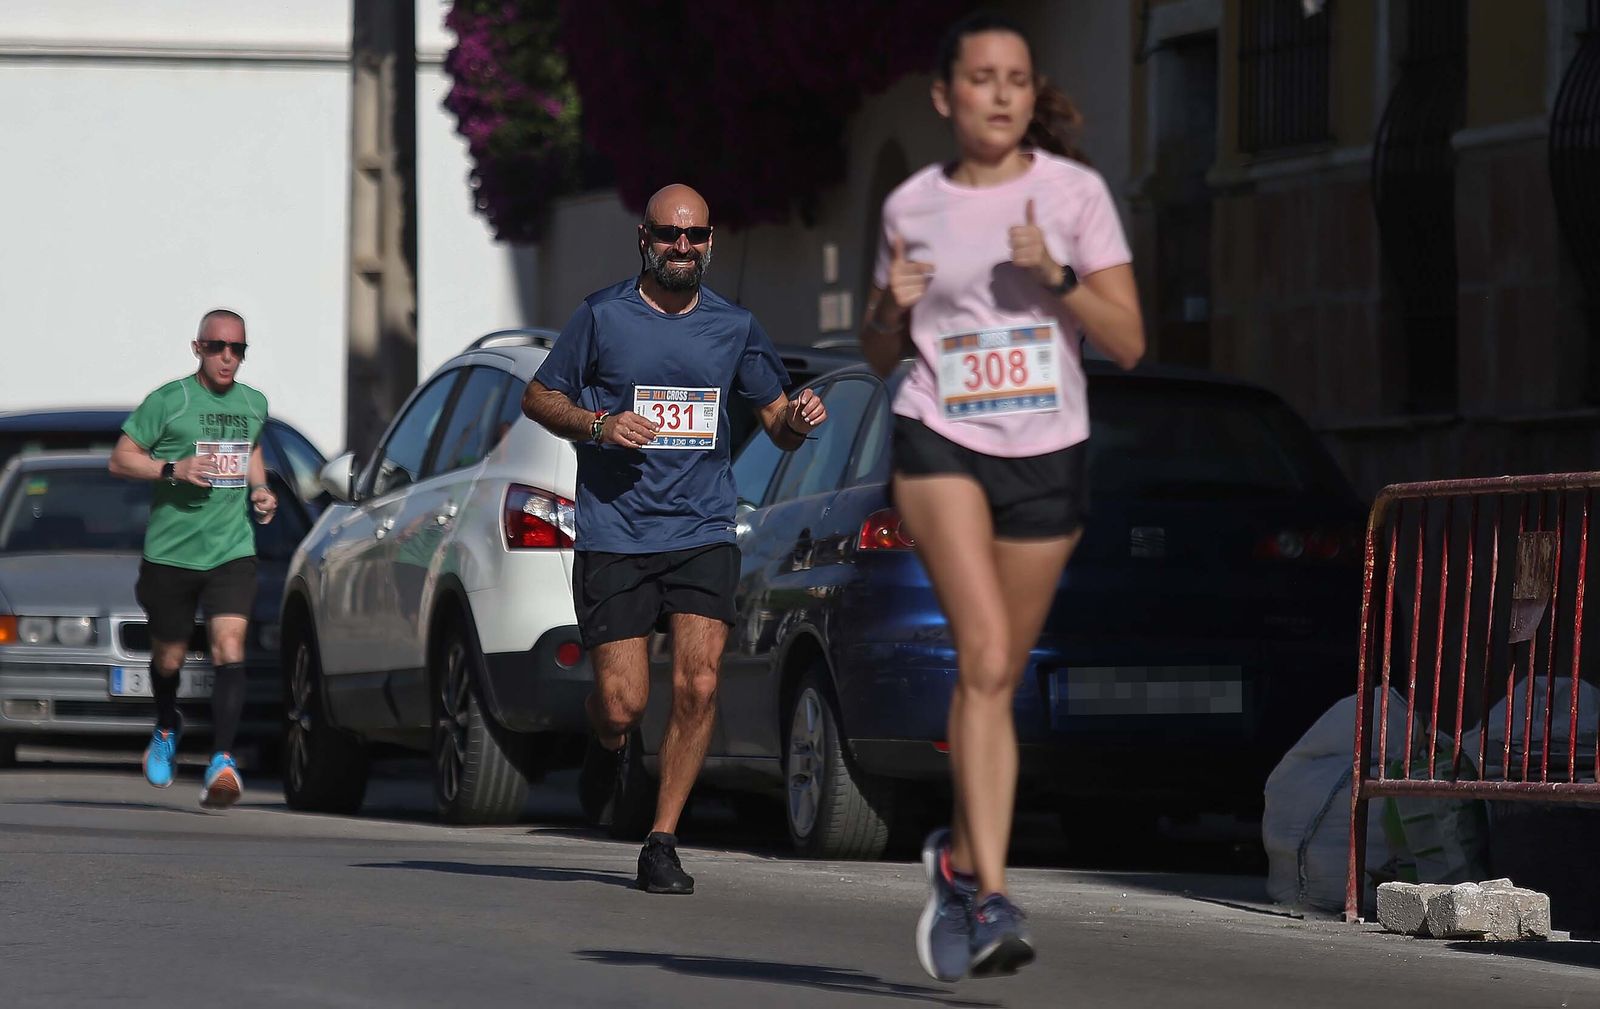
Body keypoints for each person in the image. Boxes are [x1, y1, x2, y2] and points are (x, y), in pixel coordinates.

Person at [859, 12, 1145, 982]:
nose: (998, 93)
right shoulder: (911, 203)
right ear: (946, 95)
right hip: (939, 434)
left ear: (1030, 94)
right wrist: (890, 305)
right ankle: (990, 896)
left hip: (1047, 448)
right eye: (980, 78)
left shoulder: (1072, 194)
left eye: (1015, 78)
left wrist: (1052, 274)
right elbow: (875, 349)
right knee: (981, 654)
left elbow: (1129, 341)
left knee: (995, 675)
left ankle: (956, 862)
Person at [523, 183, 828, 895]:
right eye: (669, 236)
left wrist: (802, 419)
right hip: (617, 530)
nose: (682, 248)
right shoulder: (602, 316)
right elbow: (538, 396)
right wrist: (598, 426)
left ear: (710, 242)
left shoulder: (734, 326)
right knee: (624, 701)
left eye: (694, 237)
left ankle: (661, 840)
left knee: (699, 682)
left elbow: (778, 422)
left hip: (702, 528)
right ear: (645, 238)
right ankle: (610, 742)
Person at [109, 308, 278, 809]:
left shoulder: (254, 402)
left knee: (230, 647)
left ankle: (221, 760)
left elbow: (248, 450)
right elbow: (120, 458)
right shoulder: (170, 400)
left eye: (238, 349)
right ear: (197, 348)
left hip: (232, 549)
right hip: (171, 554)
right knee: (170, 658)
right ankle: (166, 724)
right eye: (217, 347)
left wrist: (262, 489)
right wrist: (171, 468)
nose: (228, 357)